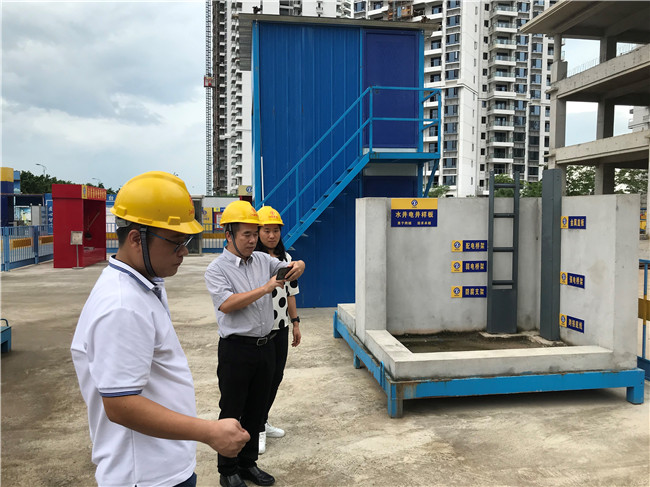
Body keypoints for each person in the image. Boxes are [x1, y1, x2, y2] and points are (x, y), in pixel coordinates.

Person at [71, 171, 249, 487]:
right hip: (145, 476)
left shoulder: (145, 284)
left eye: (186, 242)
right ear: (136, 239)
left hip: (163, 465)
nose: (184, 251)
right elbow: (121, 405)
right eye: (176, 242)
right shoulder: (122, 305)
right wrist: (209, 432)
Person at [204, 201, 306, 487]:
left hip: (266, 345)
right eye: (246, 234)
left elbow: (289, 266)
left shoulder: (262, 260)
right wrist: (264, 288)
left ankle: (248, 464)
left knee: (256, 408)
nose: (252, 240)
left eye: (254, 234)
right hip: (237, 349)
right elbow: (226, 304)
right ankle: (228, 469)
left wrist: (299, 265)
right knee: (232, 410)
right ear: (229, 235)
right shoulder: (216, 269)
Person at [254, 206, 301, 455]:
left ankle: (263, 420)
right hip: (260, 331)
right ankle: (256, 427)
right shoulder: (253, 260)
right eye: (266, 230)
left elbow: (291, 293)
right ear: (258, 232)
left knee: (276, 377)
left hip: (281, 327)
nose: (271, 236)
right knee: (261, 380)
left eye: (275, 231)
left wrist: (296, 323)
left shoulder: (286, 259)